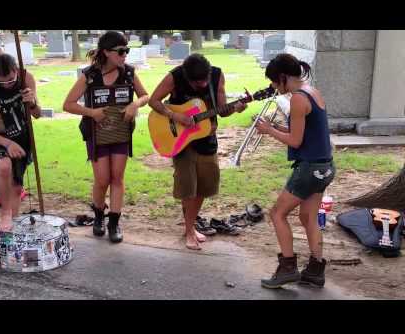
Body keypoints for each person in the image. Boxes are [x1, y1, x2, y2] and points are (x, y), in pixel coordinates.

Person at [148, 53, 247, 250]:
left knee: (203, 187)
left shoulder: (217, 76)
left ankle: (190, 227)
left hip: (207, 139)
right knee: (188, 189)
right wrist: (175, 115)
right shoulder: (174, 77)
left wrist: (236, 108)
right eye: (196, 83)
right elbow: (154, 101)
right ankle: (189, 230)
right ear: (186, 75)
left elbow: (222, 109)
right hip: (182, 142)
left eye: (204, 81)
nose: (201, 85)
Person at [256, 53, 336, 289]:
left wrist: (269, 131)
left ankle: (288, 267)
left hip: (309, 168)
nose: (272, 86)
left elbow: (295, 141)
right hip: (325, 166)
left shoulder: (297, 99)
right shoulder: (312, 91)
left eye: (273, 81)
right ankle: (315, 269)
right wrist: (271, 126)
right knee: (307, 217)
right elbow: (305, 131)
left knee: (277, 214)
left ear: (282, 77)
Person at [63, 31, 149, 243]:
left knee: (117, 177)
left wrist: (134, 104)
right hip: (97, 134)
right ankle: (99, 216)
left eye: (127, 50)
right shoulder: (89, 75)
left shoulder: (128, 73)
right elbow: (68, 104)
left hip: (121, 133)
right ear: (106, 52)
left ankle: (114, 222)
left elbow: (146, 96)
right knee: (102, 180)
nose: (125, 55)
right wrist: (92, 113)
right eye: (121, 51)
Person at [0, 53, 41, 233]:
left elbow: (38, 114)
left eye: (11, 80)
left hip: (21, 134)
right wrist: (6, 144)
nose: (6, 85)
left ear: (16, 71)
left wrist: (33, 102)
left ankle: (12, 226)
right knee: (4, 167)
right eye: (0, 81)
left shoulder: (26, 77)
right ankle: (5, 213)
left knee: (17, 185)